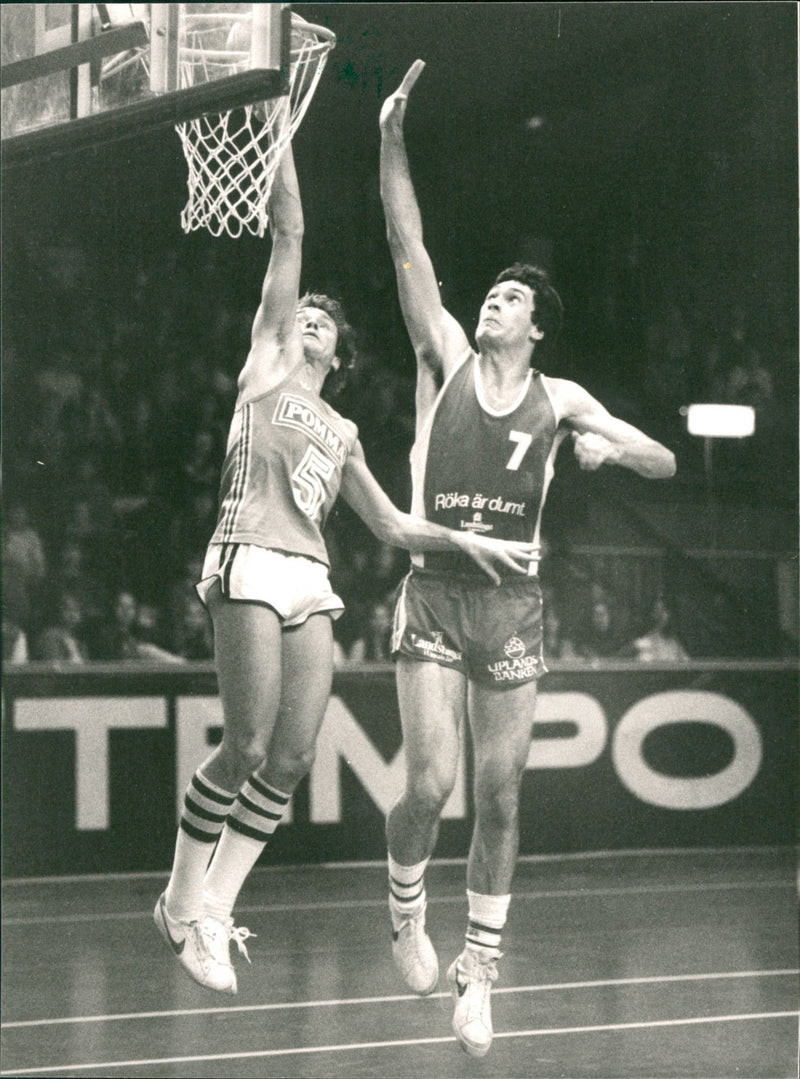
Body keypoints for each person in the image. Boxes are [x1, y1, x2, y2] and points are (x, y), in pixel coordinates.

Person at [154, 132, 539, 997]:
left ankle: (213, 908)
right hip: (249, 554)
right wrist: (281, 129)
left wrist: (466, 540)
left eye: (324, 321)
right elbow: (288, 231)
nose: (309, 320)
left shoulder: (344, 430)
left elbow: (398, 527)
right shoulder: (266, 370)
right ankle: (180, 902)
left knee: (289, 761)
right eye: (304, 315)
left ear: (341, 353)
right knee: (245, 742)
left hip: (310, 577)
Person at [378, 61, 677, 1058]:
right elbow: (406, 244)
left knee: (500, 794)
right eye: (491, 294)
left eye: (508, 297)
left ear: (535, 323)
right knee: (427, 783)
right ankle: (406, 914)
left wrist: (610, 448)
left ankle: (480, 974)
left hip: (511, 608)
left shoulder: (563, 397)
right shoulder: (448, 360)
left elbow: (662, 456)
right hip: (433, 593)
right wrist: (389, 139)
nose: (491, 303)